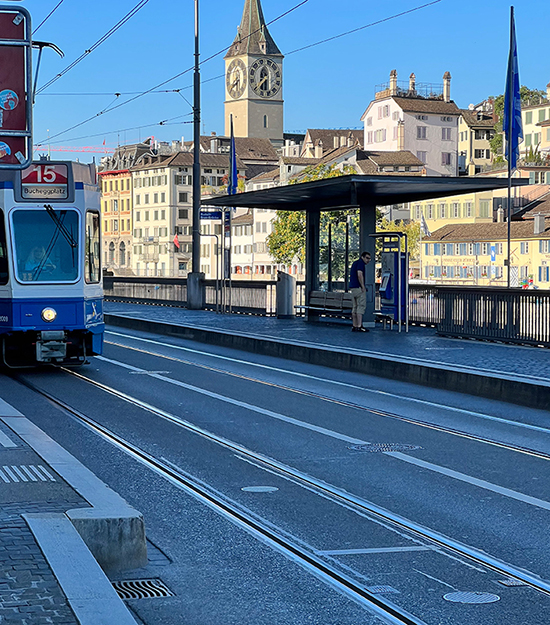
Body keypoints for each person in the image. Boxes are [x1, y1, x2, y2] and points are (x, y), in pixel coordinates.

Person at [348, 251, 371, 332]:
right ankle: (359, 325)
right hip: (358, 288)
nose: (368, 260)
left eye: (369, 259)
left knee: (354, 307)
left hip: (352, 288)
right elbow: (359, 274)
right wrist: (363, 287)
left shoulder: (355, 263)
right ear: (362, 257)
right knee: (360, 306)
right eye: (367, 258)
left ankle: (354, 325)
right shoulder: (361, 264)